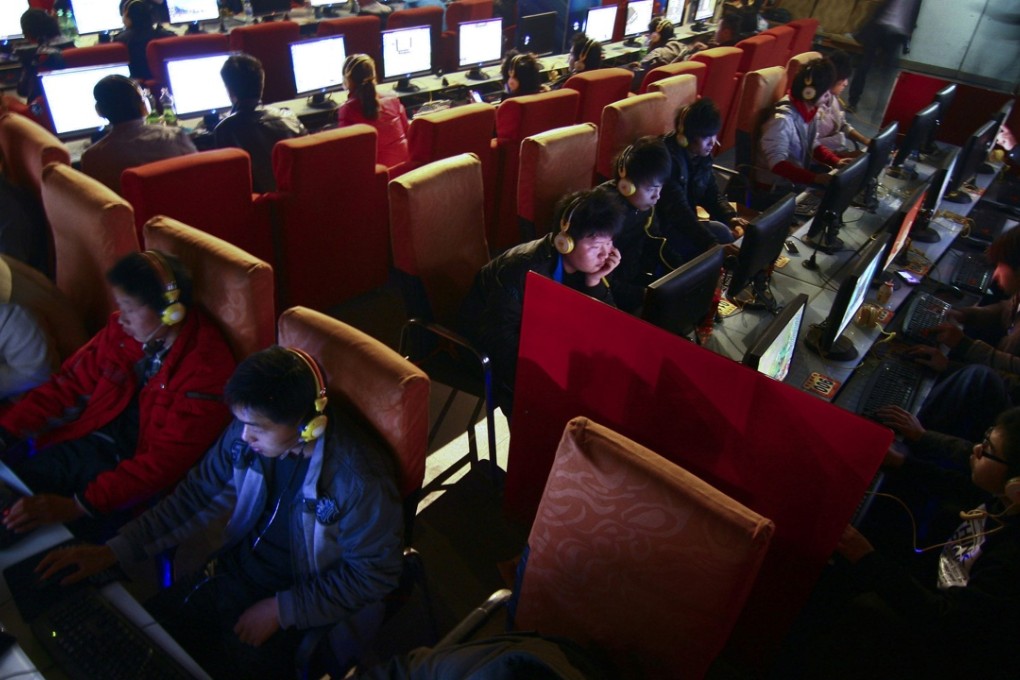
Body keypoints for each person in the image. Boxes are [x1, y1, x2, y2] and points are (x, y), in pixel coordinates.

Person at [35, 345, 404, 680]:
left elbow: (375, 572)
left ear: (309, 425)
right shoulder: (248, 434)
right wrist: (114, 549)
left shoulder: (358, 481)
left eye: (256, 429)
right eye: (242, 424)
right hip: (229, 575)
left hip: (300, 609)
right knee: (141, 640)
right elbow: (195, 496)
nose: (243, 438)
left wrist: (282, 610)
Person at [0, 251, 234, 539]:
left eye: (130, 310)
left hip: (128, 487)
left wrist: (78, 506)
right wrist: (6, 432)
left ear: (171, 312)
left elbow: (160, 465)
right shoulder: (124, 334)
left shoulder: (206, 374)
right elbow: (68, 385)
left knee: (45, 543)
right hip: (82, 445)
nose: (121, 319)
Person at [820, 406, 1020, 679]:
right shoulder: (1007, 503)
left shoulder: (1009, 560)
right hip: (939, 582)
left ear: (1016, 485)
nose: (975, 450)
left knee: (867, 606)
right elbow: (960, 486)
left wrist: (867, 558)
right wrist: (902, 463)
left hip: (946, 640)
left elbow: (946, 623)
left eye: (986, 450)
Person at [459, 188, 624, 413]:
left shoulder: (592, 266)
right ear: (565, 241)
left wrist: (594, 282)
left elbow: (605, 325)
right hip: (486, 348)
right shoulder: (521, 268)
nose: (605, 254)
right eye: (596, 246)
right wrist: (550, 370)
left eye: (609, 243)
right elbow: (498, 338)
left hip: (539, 336)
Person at [897, 228, 1020, 441]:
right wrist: (962, 314)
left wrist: (957, 355)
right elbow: (1006, 310)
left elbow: (1014, 382)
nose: (995, 274)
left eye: (1001, 265)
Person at [659, 99, 749, 260]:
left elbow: (711, 192)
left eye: (713, 135)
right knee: (721, 237)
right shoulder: (667, 161)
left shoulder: (701, 155)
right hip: (664, 232)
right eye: (706, 138)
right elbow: (679, 213)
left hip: (686, 224)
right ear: (684, 137)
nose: (712, 142)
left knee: (723, 231)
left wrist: (730, 217)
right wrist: (710, 243)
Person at [602, 137, 682, 314]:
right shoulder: (603, 214)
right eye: (651, 189)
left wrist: (683, 272)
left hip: (632, 279)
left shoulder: (644, 206)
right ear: (626, 186)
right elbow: (600, 278)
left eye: (660, 188)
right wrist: (641, 295)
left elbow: (656, 242)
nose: (657, 197)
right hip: (608, 293)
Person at [80, 75, 197, 194]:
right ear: (144, 105)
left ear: (99, 111)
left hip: (133, 212)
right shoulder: (174, 136)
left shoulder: (92, 158)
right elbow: (199, 176)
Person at [215, 53, 307, 193]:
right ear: (262, 83)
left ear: (229, 90)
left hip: (259, 208)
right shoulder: (289, 118)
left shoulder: (224, 130)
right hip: (297, 199)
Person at [756, 58, 847, 190]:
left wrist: (836, 161)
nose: (829, 96)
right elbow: (777, 164)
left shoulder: (808, 111)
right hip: (774, 188)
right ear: (809, 92)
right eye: (825, 91)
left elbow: (812, 144)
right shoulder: (782, 120)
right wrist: (814, 178)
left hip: (794, 181)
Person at [336, 54, 410, 170]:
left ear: (348, 80)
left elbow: (345, 152)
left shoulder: (347, 110)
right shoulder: (393, 100)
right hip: (404, 173)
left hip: (376, 179)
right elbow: (408, 134)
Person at [847, 0, 923, 112]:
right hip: (879, 27)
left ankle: (882, 108)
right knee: (864, 66)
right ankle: (853, 101)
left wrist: (908, 38)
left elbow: (913, 15)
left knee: (888, 72)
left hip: (896, 34)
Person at [816, 51, 872, 153]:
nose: (846, 84)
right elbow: (811, 148)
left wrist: (865, 141)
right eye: (843, 80)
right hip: (823, 159)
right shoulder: (815, 109)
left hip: (838, 151)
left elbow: (842, 125)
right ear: (832, 80)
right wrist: (842, 158)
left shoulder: (832, 99)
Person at [16, 9, 70, 105]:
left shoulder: (37, 56)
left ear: (29, 32)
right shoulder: (72, 47)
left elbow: (23, 91)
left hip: (42, 109)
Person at [115, 0, 174, 80]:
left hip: (136, 84)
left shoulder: (120, 40)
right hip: (164, 81)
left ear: (128, 18)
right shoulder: (166, 36)